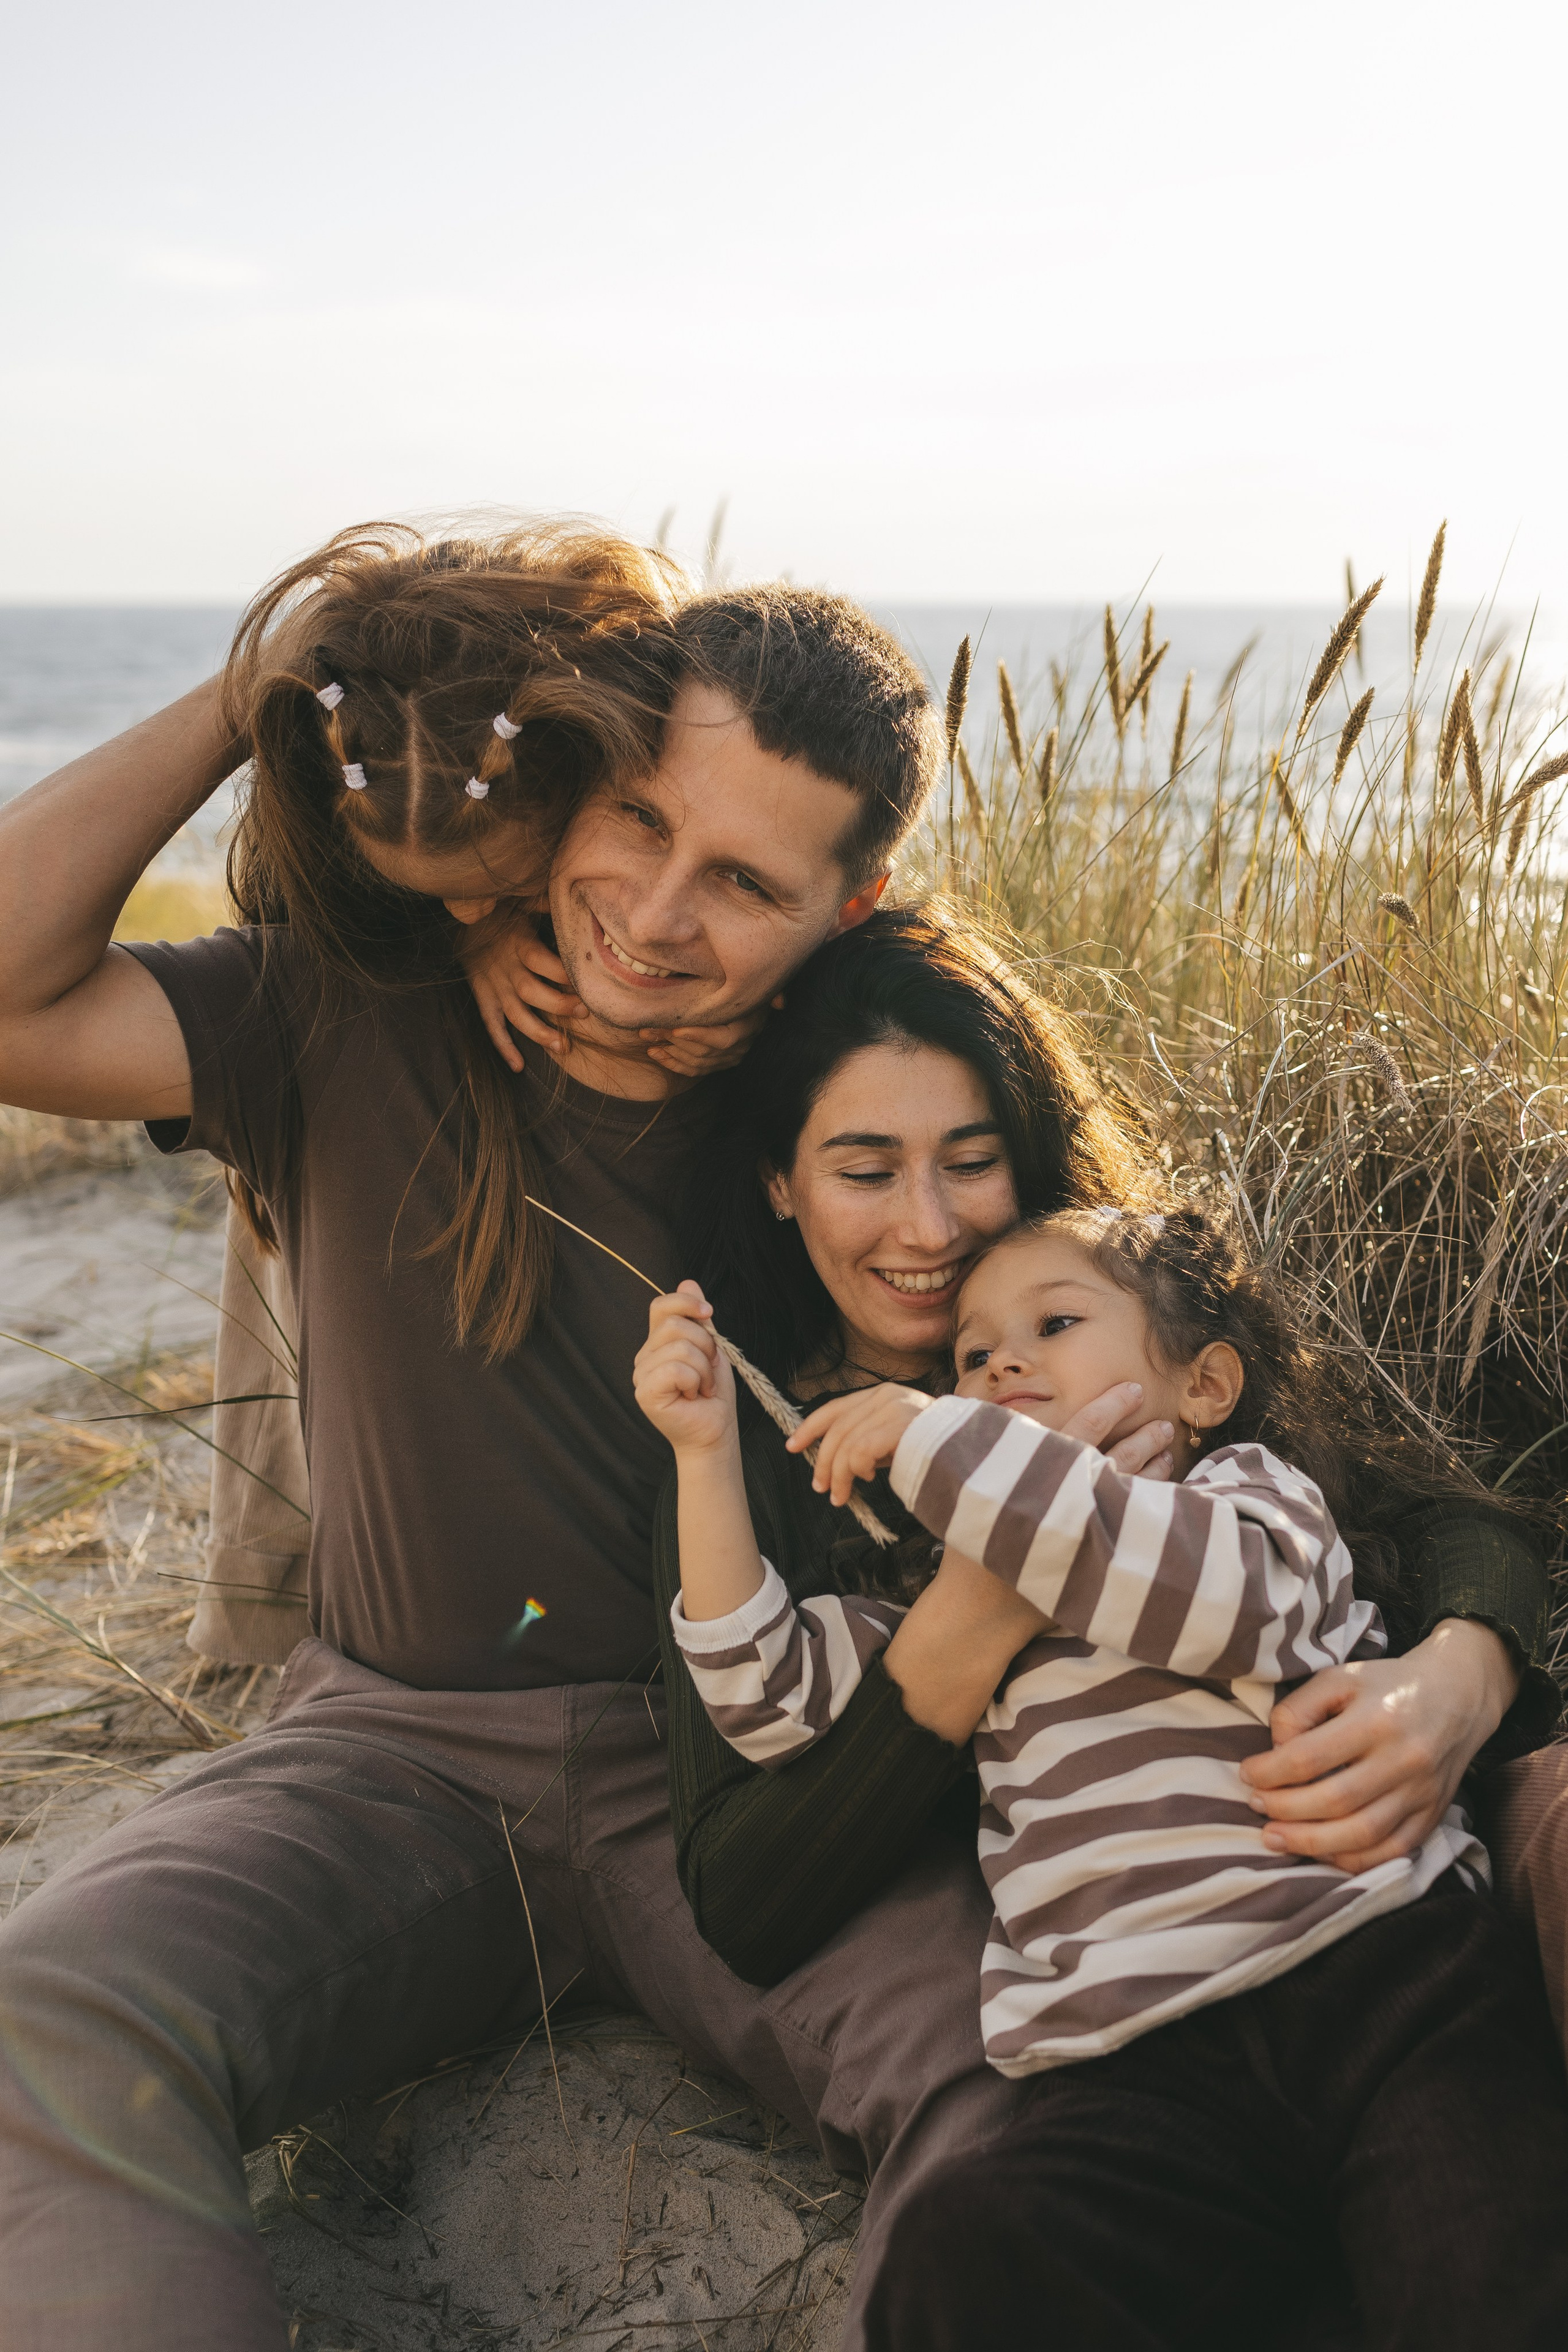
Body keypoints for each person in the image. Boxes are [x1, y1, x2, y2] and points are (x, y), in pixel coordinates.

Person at [0, 519, 1005, 2352]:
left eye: (745, 887)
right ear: (566, 779)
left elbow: (1162, 1351)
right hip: (393, 1761)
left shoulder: (875, 1099)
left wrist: (1473, 1646)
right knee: (52, 2019)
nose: (656, 917)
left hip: (769, 1772)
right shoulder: (348, 1001)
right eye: (638, 822)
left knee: (1029, 2080)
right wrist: (261, 692)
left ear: (841, 913)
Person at [638, 1193, 1568, 2344]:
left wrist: (935, 1439)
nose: (1003, 1364)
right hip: (1131, 2066)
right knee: (966, 2241)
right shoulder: (946, 1608)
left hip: (1380, 1978)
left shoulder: (1249, 1502)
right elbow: (763, 1694)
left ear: (1205, 1389)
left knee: (1481, 2262)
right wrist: (705, 1456)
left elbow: (1203, 1595)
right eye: (972, 1358)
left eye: (1055, 1326)